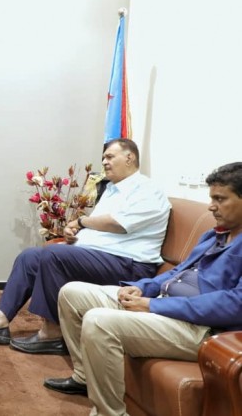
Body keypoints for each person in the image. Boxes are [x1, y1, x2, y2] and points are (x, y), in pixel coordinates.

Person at [44, 162, 242, 415]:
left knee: (99, 321)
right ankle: (85, 378)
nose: (211, 206)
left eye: (220, 199)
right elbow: (177, 273)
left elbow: (234, 305)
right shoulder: (216, 235)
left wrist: (153, 305)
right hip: (165, 305)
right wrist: (142, 287)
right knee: (73, 293)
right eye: (211, 198)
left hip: (202, 329)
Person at [0, 138, 171, 355]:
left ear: (129, 158)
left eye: (110, 157)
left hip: (130, 265)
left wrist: (81, 222)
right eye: (103, 158)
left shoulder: (147, 190)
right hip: (102, 257)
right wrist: (75, 235)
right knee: (30, 256)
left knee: (54, 254)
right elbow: (99, 228)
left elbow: (119, 224)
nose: (104, 162)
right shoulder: (112, 190)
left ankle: (53, 333)